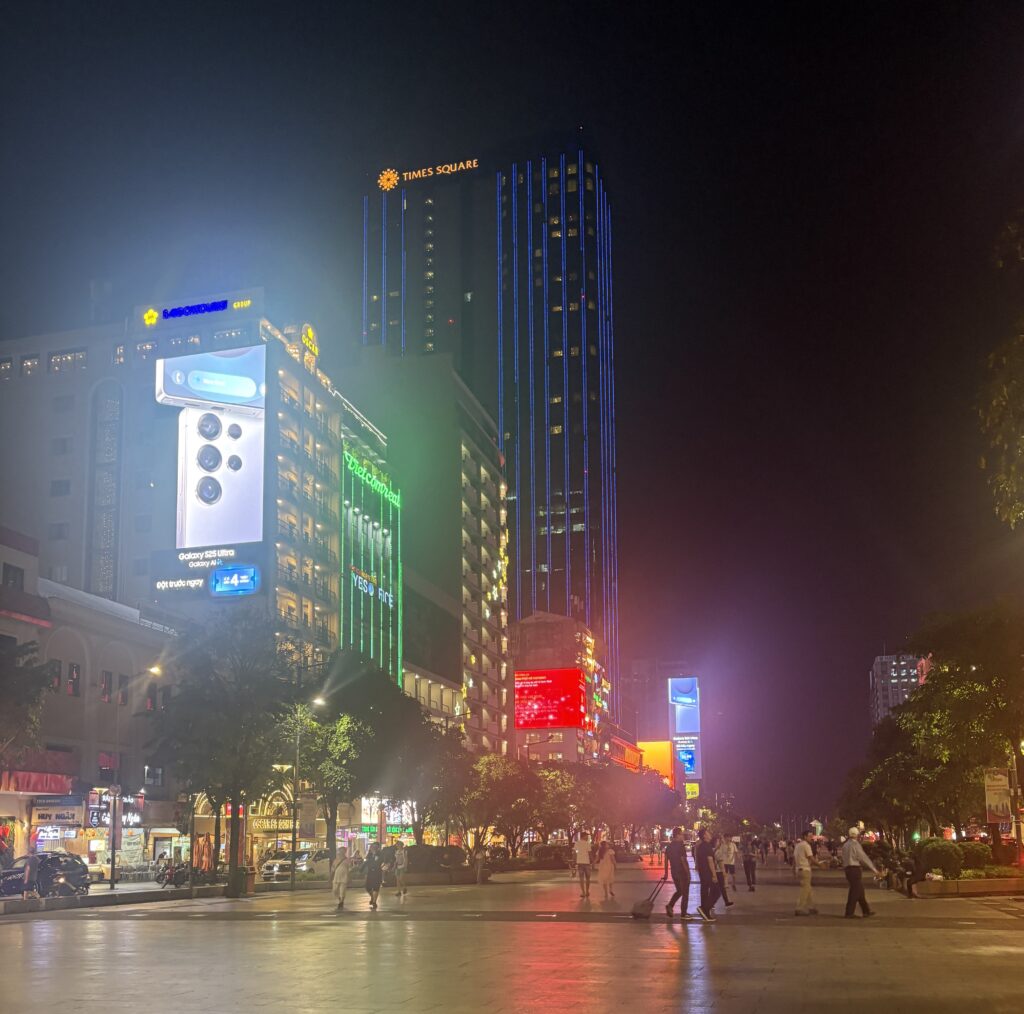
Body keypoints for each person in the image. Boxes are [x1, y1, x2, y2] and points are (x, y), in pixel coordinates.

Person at [841, 827, 878, 918]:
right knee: (855, 891)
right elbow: (863, 858)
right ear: (856, 835)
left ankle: (866, 911)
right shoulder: (855, 844)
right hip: (855, 869)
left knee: (859, 890)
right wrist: (874, 869)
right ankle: (849, 913)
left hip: (848, 869)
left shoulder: (845, 845)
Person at [663, 826, 693, 920]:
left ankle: (670, 905)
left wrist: (666, 873)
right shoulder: (680, 845)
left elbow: (666, 860)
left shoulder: (669, 846)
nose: (683, 836)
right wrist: (688, 873)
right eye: (681, 834)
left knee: (680, 891)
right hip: (682, 872)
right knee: (685, 893)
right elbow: (683, 860)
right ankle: (683, 914)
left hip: (674, 872)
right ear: (677, 835)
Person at [694, 828, 721, 922]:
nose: (710, 834)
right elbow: (710, 861)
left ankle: (705, 914)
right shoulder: (707, 846)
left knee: (704, 892)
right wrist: (714, 875)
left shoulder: (701, 846)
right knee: (717, 891)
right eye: (708, 833)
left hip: (702, 873)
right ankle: (704, 908)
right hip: (708, 873)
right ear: (704, 836)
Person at [793, 828, 820, 916]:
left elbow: (794, 859)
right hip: (805, 870)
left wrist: (793, 870)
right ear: (805, 837)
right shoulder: (806, 845)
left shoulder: (798, 845)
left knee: (808, 889)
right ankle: (799, 908)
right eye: (809, 836)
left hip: (799, 869)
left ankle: (811, 907)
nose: (811, 838)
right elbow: (811, 858)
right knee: (805, 890)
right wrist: (820, 865)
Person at [364, 842, 384, 911]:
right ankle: (372, 897)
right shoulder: (369, 854)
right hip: (370, 872)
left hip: (377, 872)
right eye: (373, 846)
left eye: (375, 847)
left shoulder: (380, 854)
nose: (374, 848)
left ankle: (374, 902)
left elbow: (382, 861)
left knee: (376, 887)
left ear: (378, 848)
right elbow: (366, 862)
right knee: (367, 887)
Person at [574, 831, 594, 898]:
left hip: (580, 862)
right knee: (588, 878)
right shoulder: (587, 844)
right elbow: (590, 853)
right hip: (586, 863)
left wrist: (574, 860)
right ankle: (587, 891)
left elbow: (575, 853)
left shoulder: (576, 843)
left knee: (581, 878)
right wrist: (592, 861)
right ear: (583, 836)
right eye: (586, 836)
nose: (587, 837)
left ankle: (583, 892)